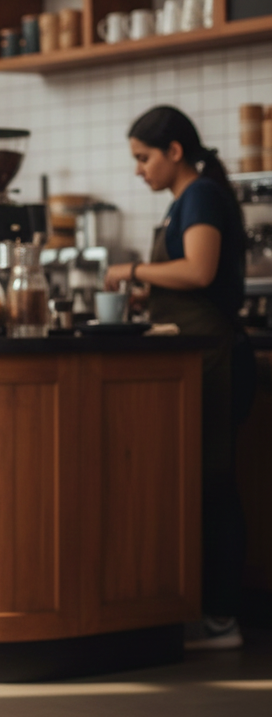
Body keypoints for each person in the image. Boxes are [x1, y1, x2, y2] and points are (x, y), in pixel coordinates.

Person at [105, 105, 254, 650]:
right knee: (203, 480)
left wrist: (132, 271)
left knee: (213, 483)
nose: (139, 169)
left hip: (216, 357)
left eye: (144, 158)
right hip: (199, 358)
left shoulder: (201, 197)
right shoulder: (183, 202)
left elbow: (199, 270)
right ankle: (210, 613)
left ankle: (222, 619)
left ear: (173, 152)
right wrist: (150, 293)